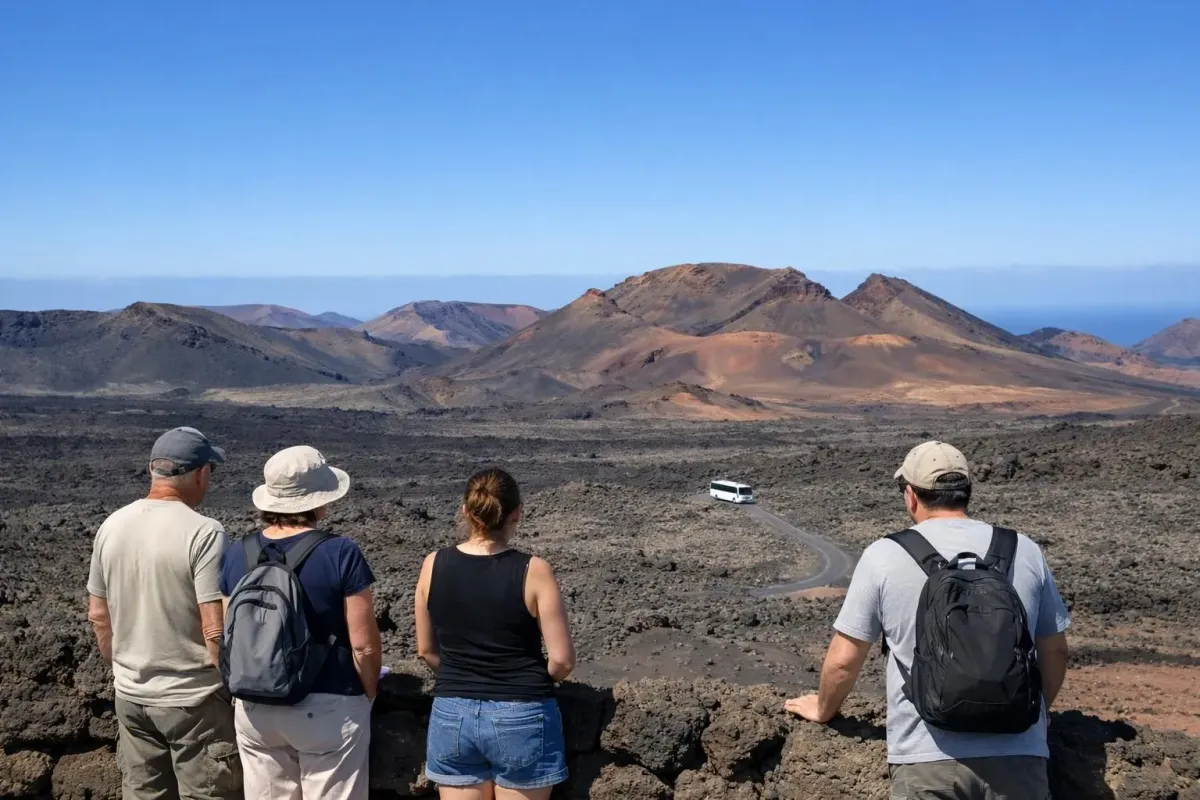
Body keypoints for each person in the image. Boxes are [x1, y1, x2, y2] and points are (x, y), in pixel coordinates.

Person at [785, 441, 1071, 800]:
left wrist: (823, 709)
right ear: (966, 492)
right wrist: (1033, 716)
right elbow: (1056, 652)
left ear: (911, 496)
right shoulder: (1025, 550)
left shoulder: (883, 556)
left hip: (926, 760)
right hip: (1020, 757)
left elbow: (843, 661)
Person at [87, 426, 242, 800]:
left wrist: (123, 670)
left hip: (132, 697)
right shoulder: (204, 532)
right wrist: (232, 691)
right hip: (193, 699)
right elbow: (213, 627)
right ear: (201, 473)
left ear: (152, 470)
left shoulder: (112, 525)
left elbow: (97, 614)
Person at [219, 446, 381, 800]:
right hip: (329, 705)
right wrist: (368, 693)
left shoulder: (237, 553)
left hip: (255, 707)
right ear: (318, 500)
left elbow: (225, 634)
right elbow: (363, 644)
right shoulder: (341, 552)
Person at [415, 468, 575, 799]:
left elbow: (426, 650)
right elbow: (561, 660)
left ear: (466, 511)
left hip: (452, 713)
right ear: (517, 513)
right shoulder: (534, 570)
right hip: (522, 711)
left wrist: (463, 677)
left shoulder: (433, 564)